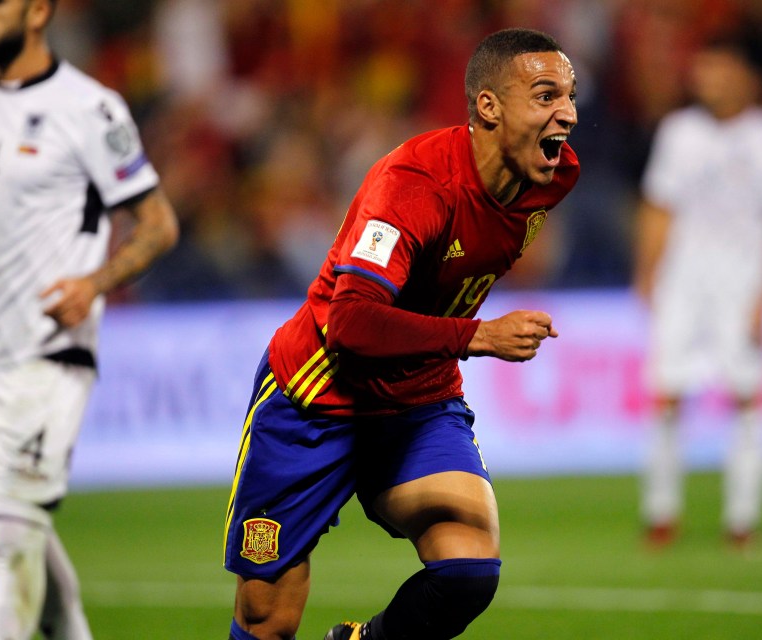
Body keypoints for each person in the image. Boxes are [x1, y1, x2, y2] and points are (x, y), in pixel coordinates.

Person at [223, 28, 579, 640]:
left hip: (417, 398)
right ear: (488, 107)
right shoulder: (414, 186)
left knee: (468, 571)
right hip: (318, 396)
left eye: (570, 97)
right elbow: (352, 323)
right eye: (546, 96)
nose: (567, 115)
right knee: (267, 619)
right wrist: (479, 337)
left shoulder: (552, 173)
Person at [0, 1, 178, 638]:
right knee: (16, 524)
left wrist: (94, 283)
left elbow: (158, 224)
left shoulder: (90, 108)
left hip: (51, 350)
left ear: (40, 11)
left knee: (13, 536)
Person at [633, 29, 762, 549]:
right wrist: (647, 273)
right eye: (705, 68)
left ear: (749, 79)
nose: (708, 79)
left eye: (721, 68)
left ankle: (742, 521)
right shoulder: (678, 132)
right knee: (666, 395)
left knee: (749, 397)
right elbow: (659, 207)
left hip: (741, 283)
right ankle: (661, 515)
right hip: (682, 281)